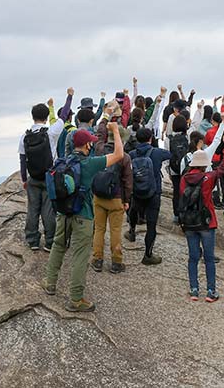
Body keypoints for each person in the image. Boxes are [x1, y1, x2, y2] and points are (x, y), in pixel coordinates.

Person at [42, 123, 125, 312]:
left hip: (63, 214)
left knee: (58, 246)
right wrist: (115, 131)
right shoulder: (89, 164)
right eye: (91, 144)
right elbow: (119, 154)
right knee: (80, 256)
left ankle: (50, 282)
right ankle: (76, 298)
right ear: (87, 145)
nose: (92, 146)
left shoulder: (63, 161)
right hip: (83, 216)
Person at [19, 89, 73, 251]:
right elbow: (64, 115)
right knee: (48, 211)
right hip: (49, 176)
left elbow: (22, 160)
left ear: (33, 116)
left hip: (33, 178)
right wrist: (69, 96)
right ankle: (50, 242)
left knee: (32, 209)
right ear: (45, 117)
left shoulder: (25, 136)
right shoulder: (51, 133)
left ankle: (32, 240)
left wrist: (24, 180)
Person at [179, 139, 224, 302]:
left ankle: (194, 290)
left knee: (193, 257)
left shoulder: (184, 179)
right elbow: (223, 168)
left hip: (189, 222)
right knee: (209, 258)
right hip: (207, 222)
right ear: (204, 165)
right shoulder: (208, 178)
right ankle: (211, 291)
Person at [91, 117, 133, 274]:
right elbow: (128, 181)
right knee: (115, 231)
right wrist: (127, 200)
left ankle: (97, 260)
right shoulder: (124, 157)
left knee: (99, 229)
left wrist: (105, 117)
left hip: (99, 196)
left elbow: (100, 132)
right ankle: (116, 262)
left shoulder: (99, 149)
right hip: (116, 198)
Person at [127, 127, 172, 265]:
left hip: (137, 191)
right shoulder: (158, 153)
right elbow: (171, 155)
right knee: (151, 225)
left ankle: (132, 231)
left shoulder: (132, 154)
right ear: (150, 139)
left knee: (133, 210)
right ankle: (148, 254)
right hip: (154, 192)